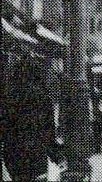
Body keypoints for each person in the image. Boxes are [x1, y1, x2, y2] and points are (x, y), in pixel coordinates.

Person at [4, 52, 58, 182]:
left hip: (14, 154)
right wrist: (54, 154)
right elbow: (48, 130)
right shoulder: (43, 97)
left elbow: (4, 126)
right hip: (37, 154)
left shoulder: (9, 97)